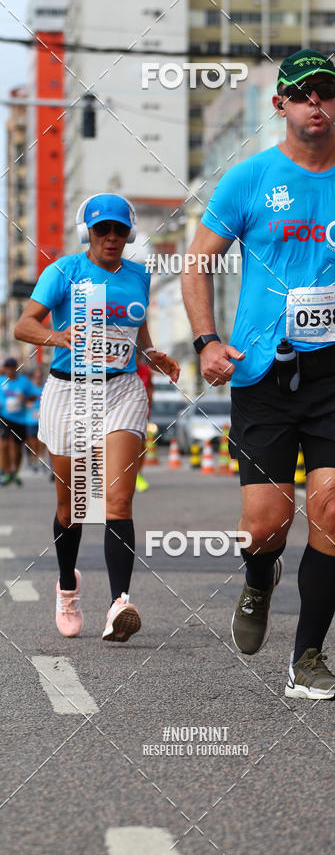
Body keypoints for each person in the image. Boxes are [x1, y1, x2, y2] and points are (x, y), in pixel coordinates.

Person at [182, 48, 335, 699]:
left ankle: (307, 657)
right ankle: (260, 577)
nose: (318, 104)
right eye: (303, 94)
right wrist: (206, 341)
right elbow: (196, 263)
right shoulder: (248, 180)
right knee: (265, 525)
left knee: (334, 508)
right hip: (262, 371)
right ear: (281, 104)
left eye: (328, 93)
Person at [14, 193, 180, 641]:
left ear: (129, 234)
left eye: (119, 230)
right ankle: (67, 585)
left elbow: (137, 332)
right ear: (87, 231)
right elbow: (23, 325)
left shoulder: (139, 276)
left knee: (118, 500)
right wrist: (57, 335)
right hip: (69, 392)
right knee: (72, 508)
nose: (111, 237)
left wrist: (153, 355)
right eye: (102, 229)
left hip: (122, 390)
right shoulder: (64, 271)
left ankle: (118, 604)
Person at [0, 356, 37, 486]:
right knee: (4, 443)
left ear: (16, 368)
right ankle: (5, 470)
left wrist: (26, 398)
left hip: (20, 419)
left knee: (17, 448)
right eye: (7, 368)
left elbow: (34, 396)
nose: (10, 370)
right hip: (4, 416)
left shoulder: (24, 382)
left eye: (12, 367)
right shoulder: (1, 381)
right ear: (5, 369)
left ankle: (15, 472)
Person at [135, 358, 153, 491]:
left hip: (143, 413)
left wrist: (150, 401)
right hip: (124, 412)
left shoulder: (146, 370)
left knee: (142, 444)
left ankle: (138, 474)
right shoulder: (122, 371)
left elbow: (151, 387)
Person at [25, 366, 45, 472]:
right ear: (33, 377)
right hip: (30, 418)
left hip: (42, 418)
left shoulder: (45, 386)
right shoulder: (29, 388)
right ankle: (34, 459)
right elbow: (23, 399)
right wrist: (27, 402)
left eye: (40, 376)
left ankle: (41, 457)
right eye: (36, 376)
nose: (38, 378)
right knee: (32, 440)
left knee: (41, 440)